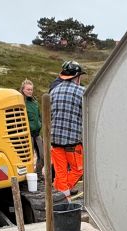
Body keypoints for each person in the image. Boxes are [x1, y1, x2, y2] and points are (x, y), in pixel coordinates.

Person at [49, 61, 85, 199]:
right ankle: (63, 193)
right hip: (73, 142)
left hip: (55, 141)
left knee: (61, 173)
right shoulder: (82, 92)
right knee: (77, 170)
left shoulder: (53, 91)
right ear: (77, 77)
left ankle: (60, 194)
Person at [20, 79, 44, 174]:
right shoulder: (21, 102)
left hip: (37, 134)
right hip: (27, 134)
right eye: (28, 89)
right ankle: (27, 176)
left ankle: (37, 174)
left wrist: (40, 124)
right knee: (28, 157)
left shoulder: (34, 102)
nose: (30, 91)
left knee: (42, 156)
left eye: (31, 89)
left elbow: (39, 116)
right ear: (23, 90)